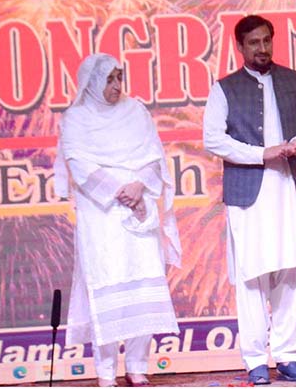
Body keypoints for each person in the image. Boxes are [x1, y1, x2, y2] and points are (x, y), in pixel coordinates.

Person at [203, 15, 296, 385]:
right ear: (240, 47)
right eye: (254, 43)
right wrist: (262, 153)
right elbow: (213, 139)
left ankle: (289, 356)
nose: (262, 48)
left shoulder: (293, 80)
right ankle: (255, 359)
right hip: (249, 193)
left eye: (267, 40)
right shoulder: (224, 88)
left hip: (289, 187)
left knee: (293, 271)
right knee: (252, 276)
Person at [54, 53, 182, 387]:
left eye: (119, 78)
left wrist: (139, 186)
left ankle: (137, 364)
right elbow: (78, 165)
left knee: (143, 279)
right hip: (101, 214)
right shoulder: (76, 118)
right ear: (92, 82)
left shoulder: (135, 111)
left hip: (140, 207)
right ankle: (106, 371)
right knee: (105, 283)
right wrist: (117, 190)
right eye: (108, 79)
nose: (116, 86)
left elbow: (155, 157)